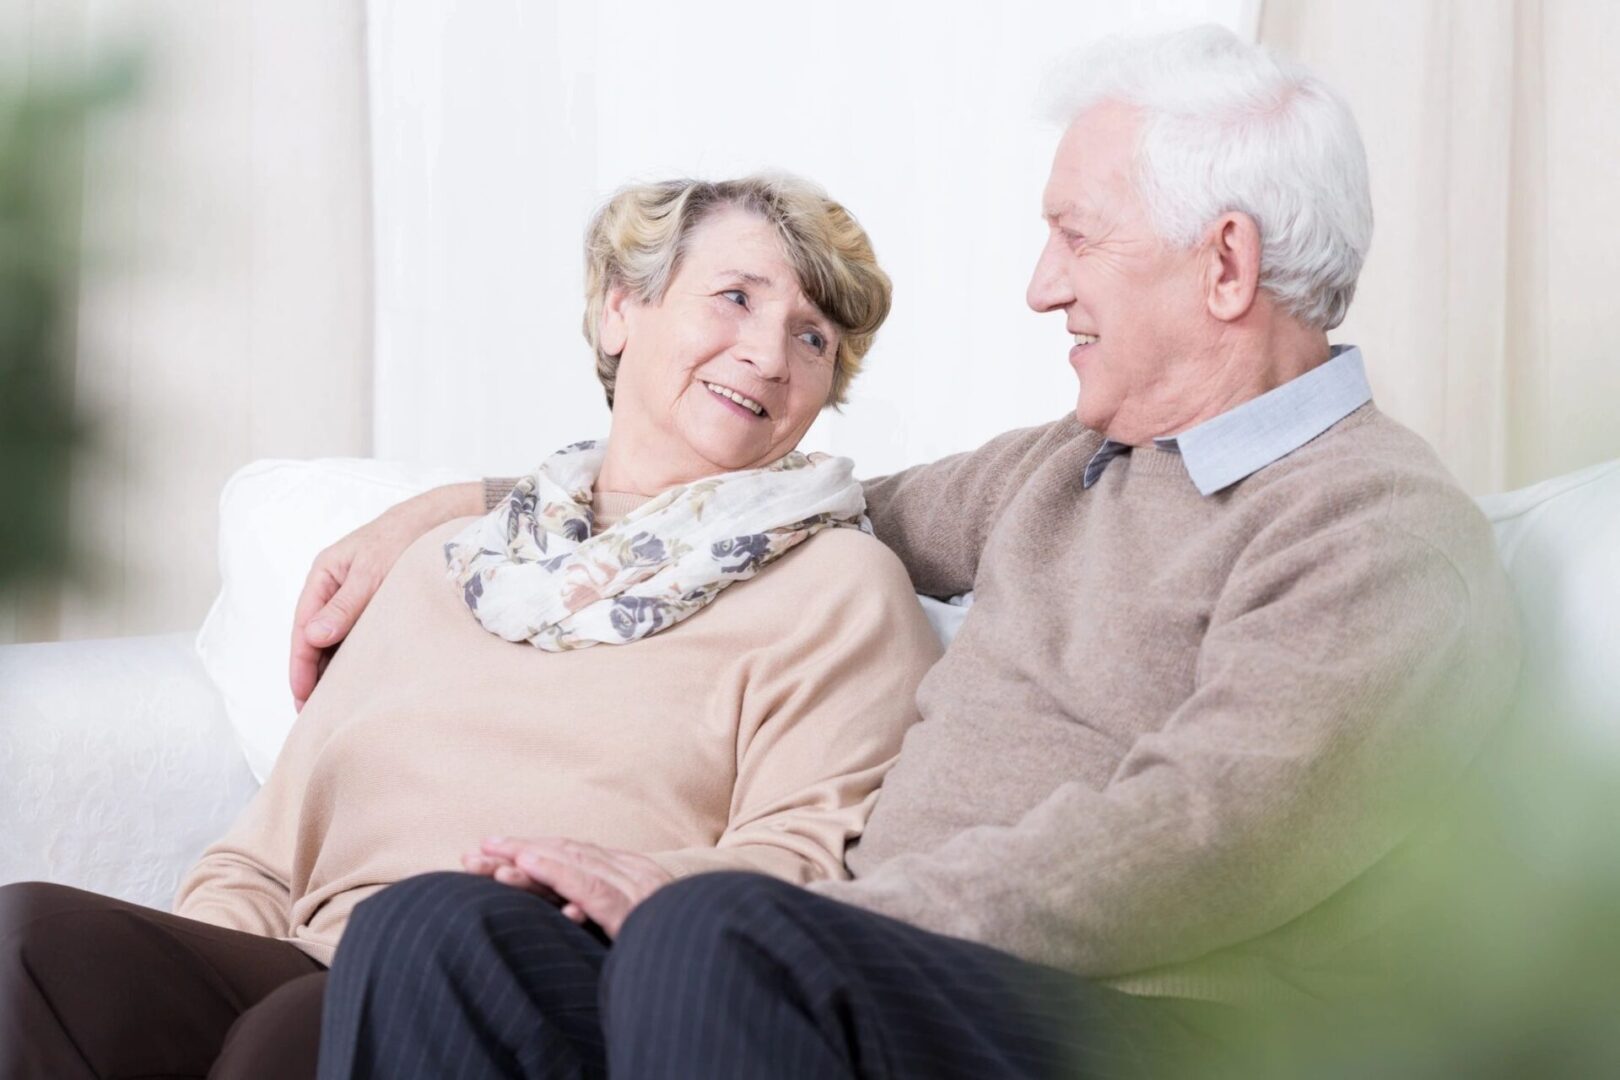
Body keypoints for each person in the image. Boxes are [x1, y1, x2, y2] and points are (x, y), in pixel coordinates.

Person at [300, 24, 1524, 1080]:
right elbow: (777, 519)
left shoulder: (1378, 532)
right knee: (440, 934)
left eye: (1077, 237)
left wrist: (815, 919)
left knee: (711, 937)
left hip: (1169, 1026)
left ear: (1226, 263)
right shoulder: (1069, 466)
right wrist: (464, 504)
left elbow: (1200, 840)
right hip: (876, 973)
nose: (1043, 287)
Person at [0, 175, 944, 1079]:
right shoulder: (446, 562)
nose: (770, 354)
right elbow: (261, 854)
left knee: (295, 1034)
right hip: (319, 960)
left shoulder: (835, 586)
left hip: (542, 977)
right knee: (31, 945)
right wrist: (195, 984)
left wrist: (604, 881)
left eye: (813, 338)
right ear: (622, 309)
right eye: (735, 297)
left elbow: (804, 857)